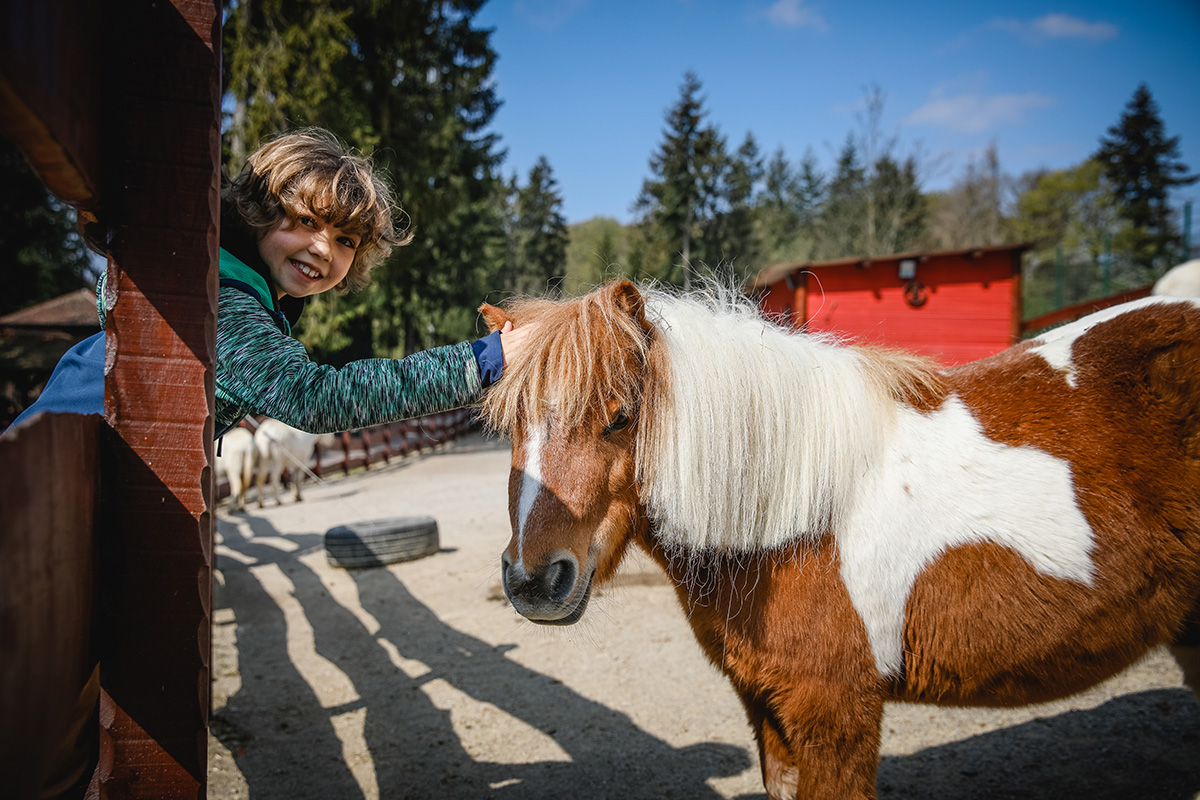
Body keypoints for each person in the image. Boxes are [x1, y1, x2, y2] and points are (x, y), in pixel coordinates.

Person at [8, 129, 532, 437]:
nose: (325, 249)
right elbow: (314, 398)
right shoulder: (219, 299)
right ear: (258, 212)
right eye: (306, 222)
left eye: (347, 240)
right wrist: (486, 360)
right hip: (46, 477)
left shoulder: (244, 296)